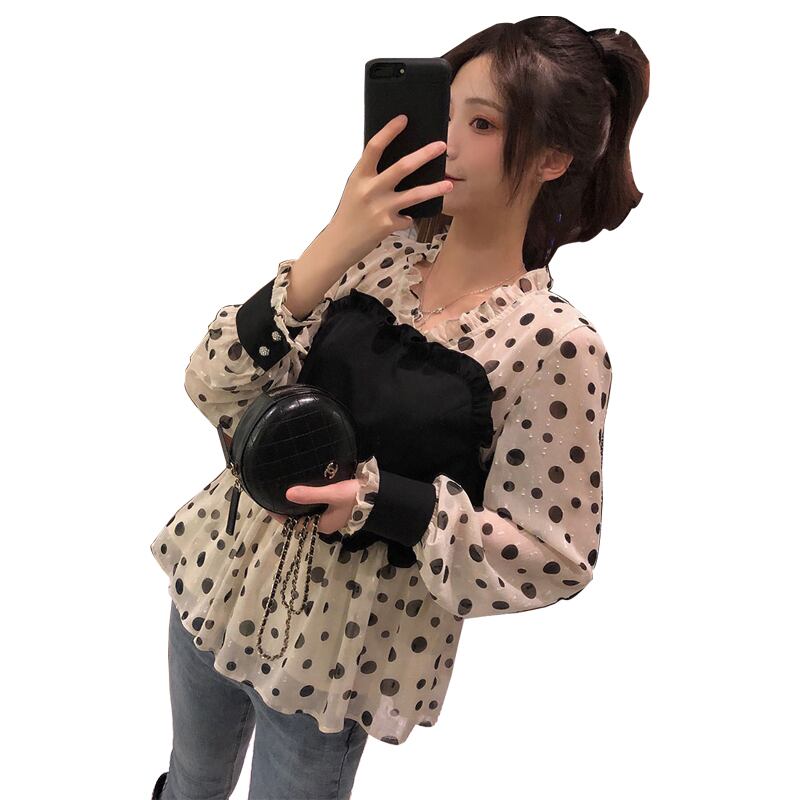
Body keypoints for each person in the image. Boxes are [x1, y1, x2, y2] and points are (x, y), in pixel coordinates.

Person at [150, 15, 649, 800]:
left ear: (552, 158)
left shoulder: (554, 346)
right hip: (218, 579)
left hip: (337, 657)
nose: (446, 140)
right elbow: (213, 386)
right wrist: (330, 245)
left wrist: (385, 504)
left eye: (481, 124)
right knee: (189, 783)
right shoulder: (372, 255)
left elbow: (554, 555)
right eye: (445, 113)